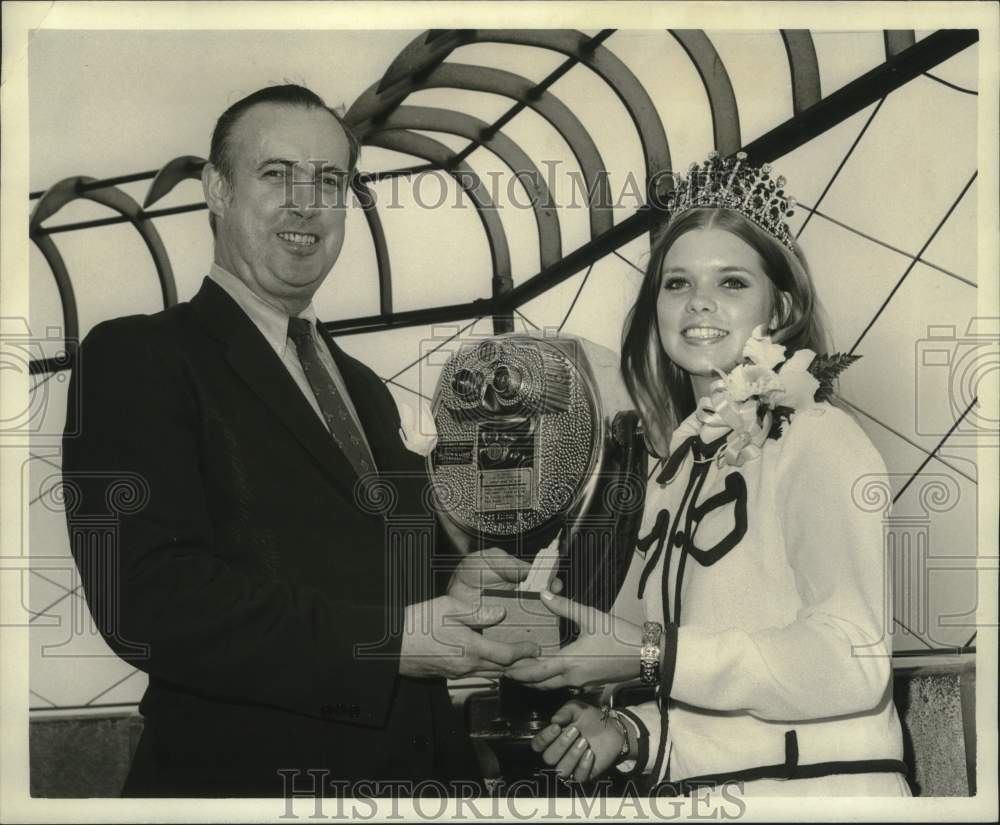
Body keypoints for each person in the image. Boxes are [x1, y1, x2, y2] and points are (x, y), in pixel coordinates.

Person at [61, 84, 539, 797]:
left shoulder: (363, 389)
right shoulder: (140, 357)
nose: (305, 202)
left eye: (329, 180)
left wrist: (456, 578)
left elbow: (384, 572)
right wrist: (389, 644)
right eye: (276, 173)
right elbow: (149, 599)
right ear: (216, 191)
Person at [505, 152, 910, 797]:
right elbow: (694, 687)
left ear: (777, 310)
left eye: (731, 283)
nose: (698, 303)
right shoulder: (672, 469)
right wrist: (623, 730)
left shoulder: (816, 437)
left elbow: (852, 663)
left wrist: (648, 656)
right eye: (676, 283)